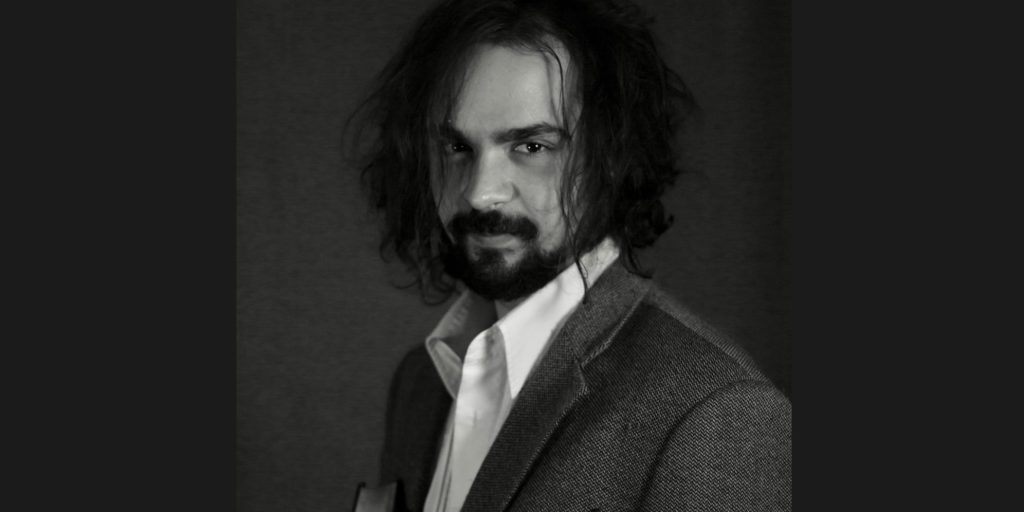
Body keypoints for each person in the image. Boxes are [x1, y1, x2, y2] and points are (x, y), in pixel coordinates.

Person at [347, 0, 791, 510]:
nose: (480, 192)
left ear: (611, 157)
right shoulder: (420, 384)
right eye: (456, 148)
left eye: (532, 147)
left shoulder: (719, 417)